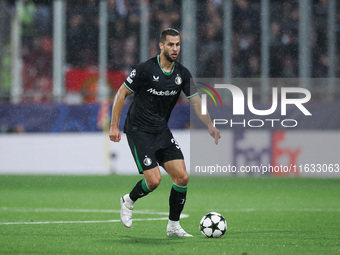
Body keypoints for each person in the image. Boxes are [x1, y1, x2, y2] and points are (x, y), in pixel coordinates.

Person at [109, 28, 220, 237]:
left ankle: (173, 227)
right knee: (154, 181)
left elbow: (195, 101)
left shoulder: (182, 74)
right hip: (139, 130)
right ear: (161, 46)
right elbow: (122, 92)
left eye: (178, 44)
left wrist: (210, 125)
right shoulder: (145, 69)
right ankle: (128, 200)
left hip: (161, 131)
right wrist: (114, 126)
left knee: (182, 177)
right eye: (170, 44)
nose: (175, 48)